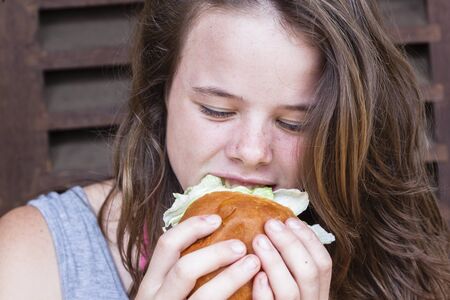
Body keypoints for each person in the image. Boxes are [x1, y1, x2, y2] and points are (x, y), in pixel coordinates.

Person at [0, 0, 449, 299]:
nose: (252, 152)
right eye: (217, 110)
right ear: (162, 96)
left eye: (294, 123)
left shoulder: (402, 265)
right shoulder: (34, 258)